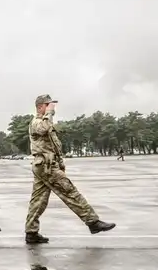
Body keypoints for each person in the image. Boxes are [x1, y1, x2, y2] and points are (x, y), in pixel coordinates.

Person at [25, 95, 115, 244]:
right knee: (70, 192)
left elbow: (54, 145)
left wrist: (60, 161)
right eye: (47, 104)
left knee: (38, 200)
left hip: (46, 165)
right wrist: (50, 113)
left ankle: (31, 232)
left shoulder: (45, 121)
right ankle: (92, 222)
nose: (51, 107)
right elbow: (44, 129)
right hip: (46, 166)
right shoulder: (37, 122)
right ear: (40, 106)